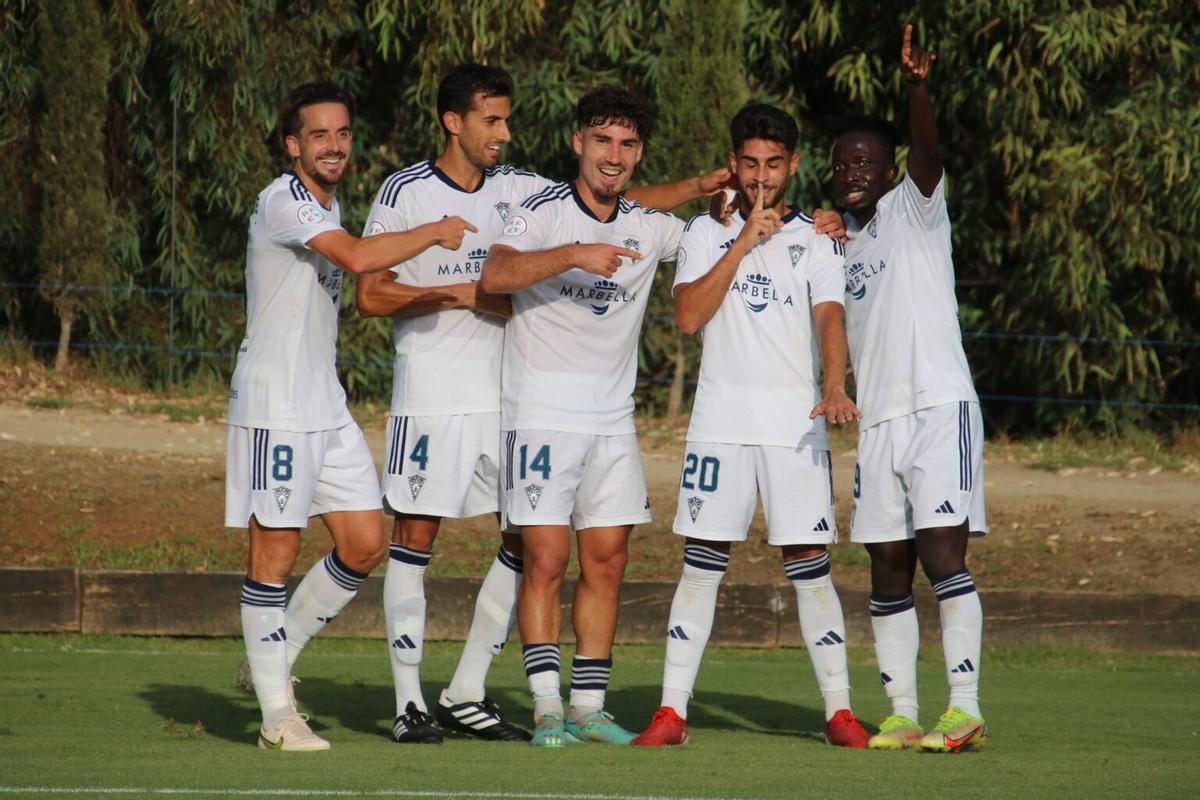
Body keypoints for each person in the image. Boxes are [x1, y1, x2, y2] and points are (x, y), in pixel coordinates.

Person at [356, 65, 733, 745]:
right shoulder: (535, 209)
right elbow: (495, 273)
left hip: (610, 420)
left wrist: (777, 217)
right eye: (601, 140)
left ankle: (579, 705)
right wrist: (575, 256)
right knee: (534, 557)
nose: (613, 154)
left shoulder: (643, 224)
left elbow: (694, 233)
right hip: (519, 408)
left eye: (626, 143)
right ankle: (532, 706)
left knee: (607, 559)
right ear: (577, 141)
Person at [227, 82, 477, 751]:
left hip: (324, 402)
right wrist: (433, 230)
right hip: (275, 404)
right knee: (274, 552)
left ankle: (271, 664)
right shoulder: (284, 201)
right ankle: (278, 716)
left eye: (342, 133)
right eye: (319, 135)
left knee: (365, 542)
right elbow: (363, 260)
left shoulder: (330, 203)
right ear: (293, 145)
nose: (334, 145)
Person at [630, 103, 869, 749]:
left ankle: (839, 713)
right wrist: (743, 240)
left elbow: (829, 317)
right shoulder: (704, 234)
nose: (761, 176)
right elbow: (686, 317)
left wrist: (833, 384)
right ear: (733, 164)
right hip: (720, 425)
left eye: (774, 164)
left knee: (810, 564)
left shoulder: (820, 236)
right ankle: (671, 712)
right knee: (701, 564)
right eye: (750, 163)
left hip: (794, 429)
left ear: (791, 166)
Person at [832, 26, 987, 752]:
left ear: (890, 170)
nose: (854, 171)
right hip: (879, 423)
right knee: (887, 564)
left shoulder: (915, 210)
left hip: (937, 408)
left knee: (940, 556)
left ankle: (964, 707)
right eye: (843, 164)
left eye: (866, 161)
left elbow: (929, 153)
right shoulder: (844, 243)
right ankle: (901, 711)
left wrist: (917, 87)